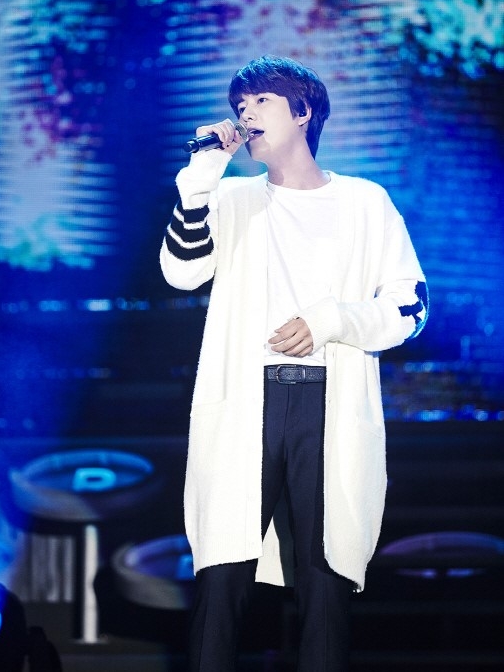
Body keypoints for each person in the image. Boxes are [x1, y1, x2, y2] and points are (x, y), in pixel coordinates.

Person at [159, 55, 428, 671]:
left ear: (303, 112)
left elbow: (410, 306)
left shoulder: (365, 202)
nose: (245, 113)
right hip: (244, 402)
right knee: (222, 577)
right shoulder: (230, 198)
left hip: (328, 405)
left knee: (325, 580)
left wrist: (332, 320)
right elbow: (181, 270)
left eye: (262, 101)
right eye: (240, 105)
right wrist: (203, 173)